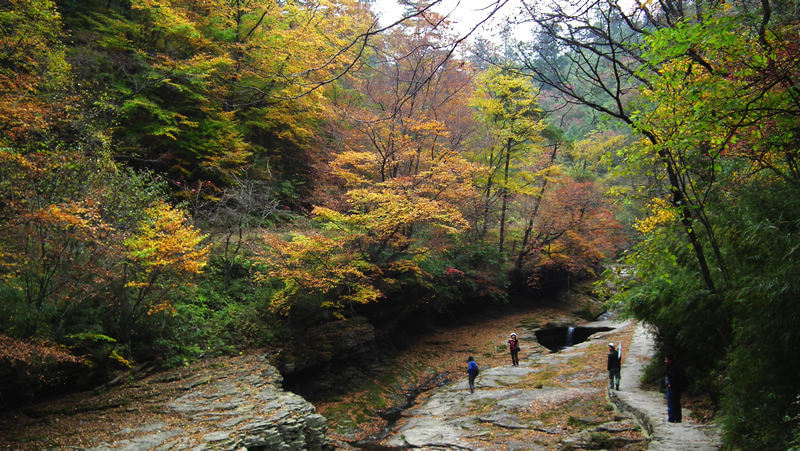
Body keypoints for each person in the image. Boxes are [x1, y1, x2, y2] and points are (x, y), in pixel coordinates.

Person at [664, 355, 687, 423]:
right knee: (676, 403)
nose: (665, 361)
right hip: (677, 388)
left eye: (666, 360)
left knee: (672, 403)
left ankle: (672, 418)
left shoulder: (672, 368)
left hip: (673, 388)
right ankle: (677, 418)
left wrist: (670, 384)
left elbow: (673, 377)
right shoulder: (675, 367)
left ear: (670, 360)